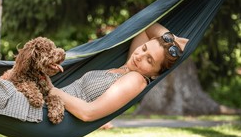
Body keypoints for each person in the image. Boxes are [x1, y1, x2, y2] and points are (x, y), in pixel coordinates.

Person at [50, 23, 189, 122]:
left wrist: (50, 90)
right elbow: (147, 28)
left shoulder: (135, 79)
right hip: (49, 100)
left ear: (156, 75)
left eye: (149, 60)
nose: (139, 55)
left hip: (51, 112)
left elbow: (88, 113)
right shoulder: (128, 67)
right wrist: (172, 40)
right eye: (144, 48)